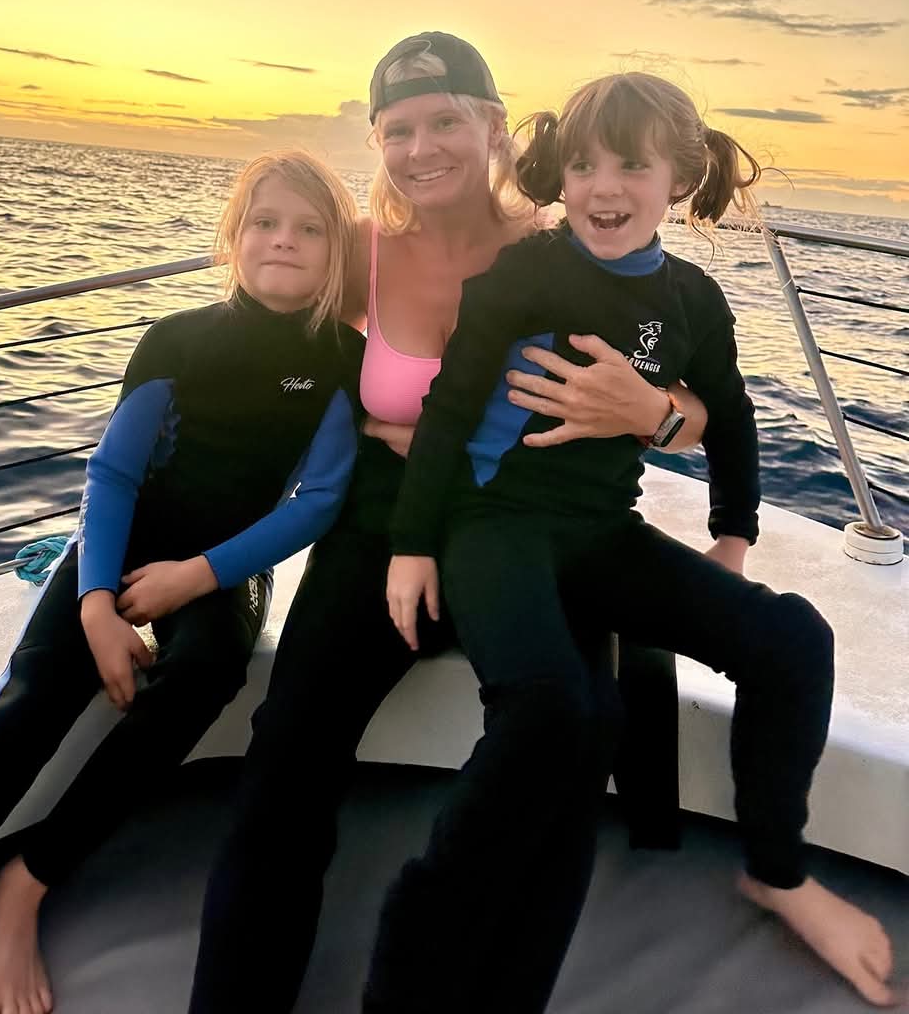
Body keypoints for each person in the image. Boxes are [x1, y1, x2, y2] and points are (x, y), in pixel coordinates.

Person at [188, 35, 708, 1014]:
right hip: (383, 525)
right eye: (397, 131)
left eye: (444, 122)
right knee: (285, 758)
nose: (420, 149)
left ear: (495, 127)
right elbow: (257, 343)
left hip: (526, 525)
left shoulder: (570, 255)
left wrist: (647, 413)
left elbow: (679, 399)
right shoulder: (360, 254)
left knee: (563, 758)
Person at [376, 71, 897, 1010]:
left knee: (793, 639)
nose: (603, 187)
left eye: (631, 164)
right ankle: (414, 960)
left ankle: (775, 872)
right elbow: (451, 407)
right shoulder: (528, 272)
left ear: (679, 179)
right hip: (494, 524)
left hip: (601, 531)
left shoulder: (693, 301)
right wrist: (414, 544)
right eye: (582, 165)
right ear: (559, 177)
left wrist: (731, 540)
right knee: (553, 711)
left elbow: (730, 421)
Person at [0, 152, 365, 1014]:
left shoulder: (342, 355)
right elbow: (112, 478)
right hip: (116, 550)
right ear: (235, 234)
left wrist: (200, 576)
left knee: (202, 675)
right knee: (20, 714)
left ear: (338, 249)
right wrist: (95, 602)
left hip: (222, 566)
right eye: (266, 222)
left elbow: (320, 500)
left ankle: (27, 884)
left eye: (310, 229)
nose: (284, 242)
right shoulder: (178, 339)